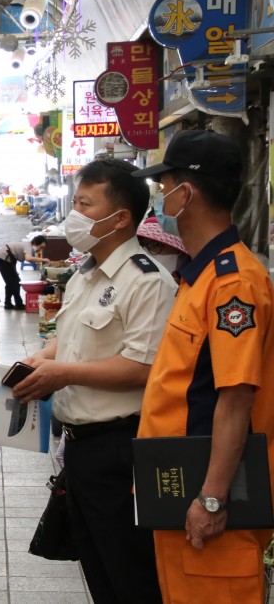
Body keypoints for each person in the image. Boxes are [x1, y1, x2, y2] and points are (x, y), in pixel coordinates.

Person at [12, 159, 175, 603]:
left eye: (86, 204)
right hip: (80, 450)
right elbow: (72, 342)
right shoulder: (87, 273)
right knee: (98, 571)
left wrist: (61, 373)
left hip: (122, 449)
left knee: (131, 575)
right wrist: (39, 359)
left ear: (120, 218)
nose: (75, 214)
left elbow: (143, 368)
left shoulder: (147, 281)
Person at [131, 129, 274, 602]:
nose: (160, 200)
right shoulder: (201, 275)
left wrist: (212, 499)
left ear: (185, 193)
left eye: (163, 187)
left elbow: (235, 397)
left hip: (213, 502)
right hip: (179, 489)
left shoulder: (235, 283)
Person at [0, 235, 48, 309]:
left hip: (8, 259)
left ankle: (8, 303)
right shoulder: (28, 246)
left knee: (10, 281)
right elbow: (28, 259)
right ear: (36, 243)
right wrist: (43, 260)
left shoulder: (28, 246)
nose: (40, 250)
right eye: (41, 247)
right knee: (14, 282)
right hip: (4, 257)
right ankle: (18, 303)